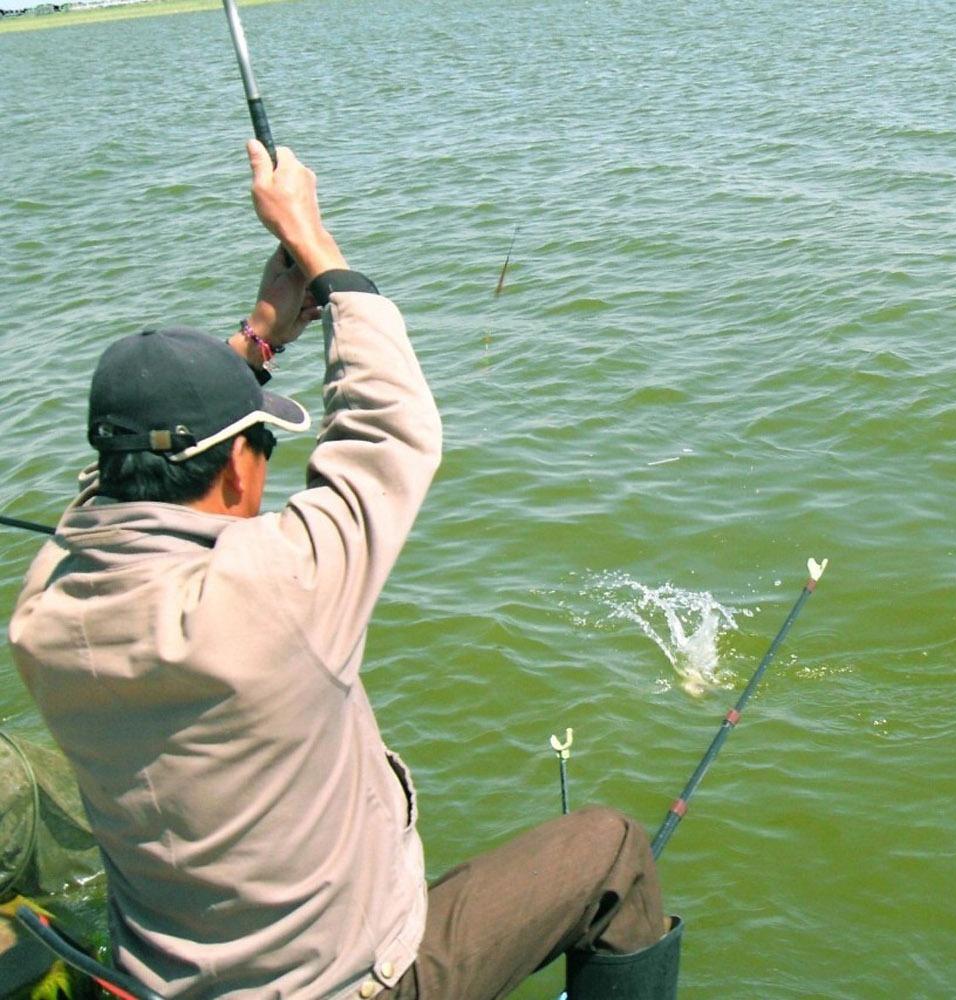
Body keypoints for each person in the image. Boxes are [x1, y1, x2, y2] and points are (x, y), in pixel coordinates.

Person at [8, 141, 681, 999]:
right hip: (349, 982)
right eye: (259, 444)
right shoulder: (274, 590)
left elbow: (113, 490)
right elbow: (391, 431)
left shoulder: (47, 606)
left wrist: (258, 338)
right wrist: (317, 246)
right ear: (239, 470)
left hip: (167, 981)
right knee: (612, 850)